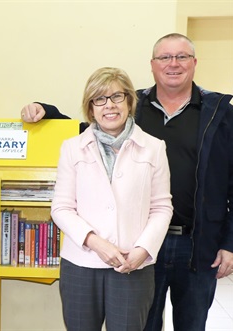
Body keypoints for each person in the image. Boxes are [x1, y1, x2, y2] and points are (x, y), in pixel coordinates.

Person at [22, 33, 233, 331]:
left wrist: (230, 242)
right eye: (164, 57)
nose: (173, 64)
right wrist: (46, 111)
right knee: (142, 324)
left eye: (182, 57)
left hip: (196, 243)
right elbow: (90, 127)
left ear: (194, 63)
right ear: (152, 65)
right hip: (136, 246)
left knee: (192, 323)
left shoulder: (221, 115)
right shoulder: (134, 106)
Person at [51, 67, 173, 331]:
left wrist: (144, 250)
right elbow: (61, 208)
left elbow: (162, 207)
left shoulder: (154, 147)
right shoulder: (72, 148)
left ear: (129, 102)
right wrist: (96, 243)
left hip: (133, 265)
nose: (109, 105)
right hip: (81, 264)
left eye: (117, 97)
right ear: (90, 107)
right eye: (100, 99)